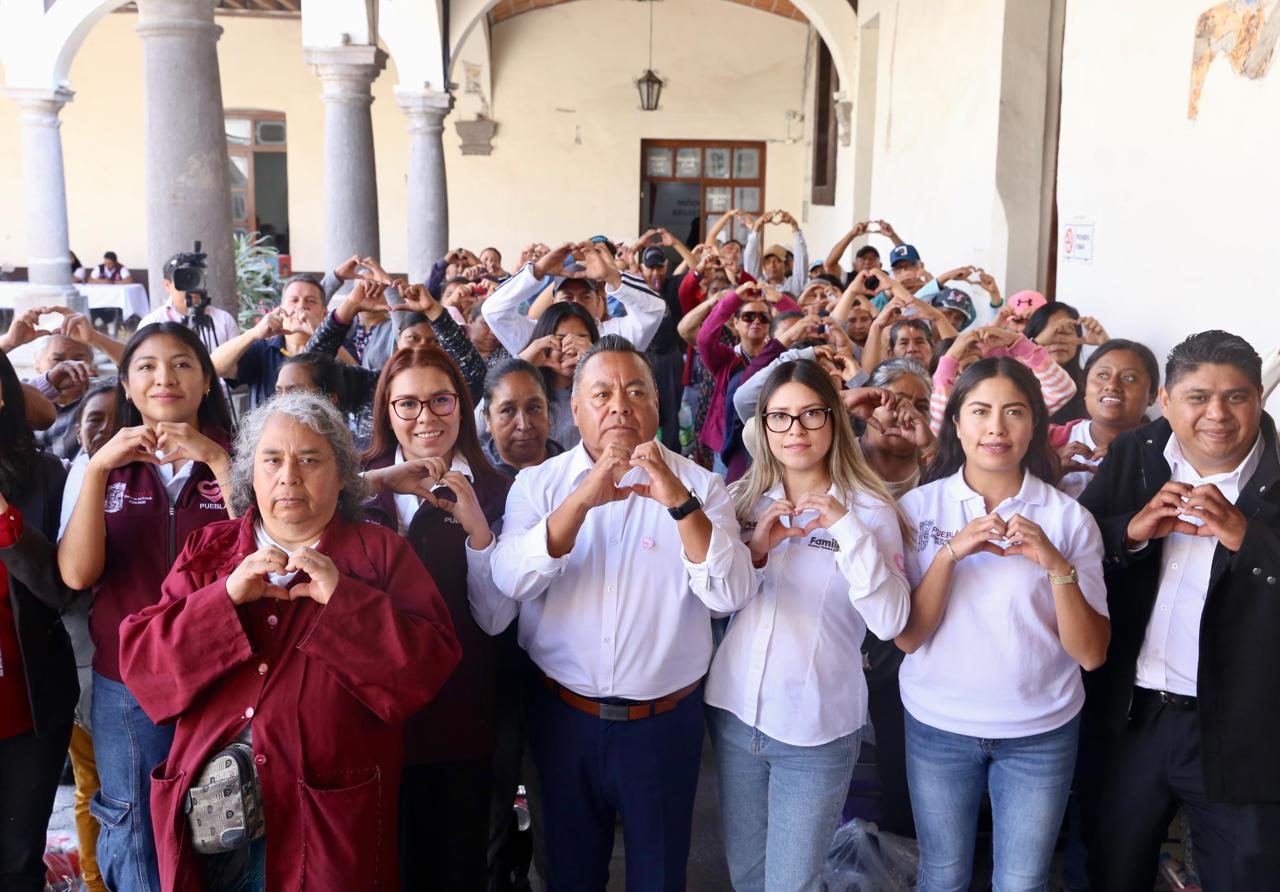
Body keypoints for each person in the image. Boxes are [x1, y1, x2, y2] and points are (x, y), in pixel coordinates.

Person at [118, 392, 461, 891]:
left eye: (310, 459)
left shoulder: (378, 554)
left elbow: (423, 674)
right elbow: (147, 671)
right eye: (272, 460)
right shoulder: (210, 549)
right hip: (213, 820)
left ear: (342, 476)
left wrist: (344, 600)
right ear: (250, 475)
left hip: (324, 820)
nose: (289, 476)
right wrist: (224, 598)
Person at [489, 335, 755, 889]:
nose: (619, 406)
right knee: (569, 876)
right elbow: (512, 579)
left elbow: (728, 596)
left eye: (636, 392)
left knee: (659, 876)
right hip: (562, 719)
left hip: (664, 725)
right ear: (576, 408)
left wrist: (678, 502)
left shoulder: (701, 486)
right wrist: (582, 500)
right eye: (602, 394)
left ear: (657, 405)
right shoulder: (538, 485)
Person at [894, 357, 1110, 891]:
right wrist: (949, 554)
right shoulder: (917, 509)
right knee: (942, 875)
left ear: (1035, 423)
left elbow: (1090, 654)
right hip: (938, 725)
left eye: (1014, 412)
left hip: (1040, 732)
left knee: (1022, 881)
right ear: (956, 422)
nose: (996, 427)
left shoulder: (1068, 518)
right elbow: (909, 637)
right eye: (980, 411)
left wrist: (1055, 563)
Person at [1079, 330, 1280, 891]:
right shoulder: (1135, 454)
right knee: (1112, 869)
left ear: (1258, 399)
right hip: (1134, 717)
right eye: (1198, 397)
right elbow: (1077, 545)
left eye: (1236, 397)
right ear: (1165, 401)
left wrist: (1249, 540)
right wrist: (1131, 532)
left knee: (1245, 877)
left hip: (1242, 729)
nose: (1217, 414)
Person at [705, 359, 910, 891]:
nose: (795, 429)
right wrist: (754, 551)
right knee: (747, 877)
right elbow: (714, 606)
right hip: (734, 713)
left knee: (792, 884)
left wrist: (847, 530)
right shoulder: (742, 499)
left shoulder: (870, 511)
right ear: (763, 427)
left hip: (816, 728)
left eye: (811, 414)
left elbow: (891, 621)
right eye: (780, 417)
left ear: (834, 419)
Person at [58, 322, 234, 892]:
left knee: (230, 824)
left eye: (182, 364)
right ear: (127, 386)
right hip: (127, 682)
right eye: (147, 367)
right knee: (134, 826)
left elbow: (263, 551)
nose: (165, 378)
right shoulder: (98, 465)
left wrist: (216, 459)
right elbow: (77, 573)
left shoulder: (244, 455)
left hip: (227, 672)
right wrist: (97, 470)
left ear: (205, 381)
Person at [358, 347, 512, 890]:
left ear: (462, 406)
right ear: (387, 411)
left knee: (454, 868)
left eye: (441, 401)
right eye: (407, 404)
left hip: (458, 712)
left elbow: (495, 620)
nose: (425, 417)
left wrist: (479, 532)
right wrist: (376, 483)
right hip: (367, 715)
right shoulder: (355, 484)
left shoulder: (498, 491)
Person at [0, 350, 79, 892]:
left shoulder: (45, 475)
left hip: (26, 703)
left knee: (16, 862)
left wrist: (7, 521)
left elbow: (62, 590)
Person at [60, 383, 118, 892]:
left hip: (125, 660)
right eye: (93, 419)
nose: (103, 429)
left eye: (114, 418)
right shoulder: (72, 477)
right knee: (91, 784)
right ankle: (94, 882)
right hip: (82, 661)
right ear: (76, 428)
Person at [481, 241, 665, 361]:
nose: (575, 304)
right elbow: (493, 311)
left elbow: (653, 310)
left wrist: (613, 277)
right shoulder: (536, 335)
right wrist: (537, 271)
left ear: (599, 303)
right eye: (567, 297)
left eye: (585, 297)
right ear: (553, 302)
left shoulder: (614, 336)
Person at [1056, 339, 1160, 499]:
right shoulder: (1050, 441)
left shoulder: (1165, 453)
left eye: (1129, 378)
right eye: (1102, 375)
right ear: (1085, 388)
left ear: (1152, 396)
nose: (1112, 385)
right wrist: (1049, 473)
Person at [209, 274, 329, 408]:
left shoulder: (335, 348)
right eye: (294, 300)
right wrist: (253, 333)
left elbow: (349, 372)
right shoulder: (262, 350)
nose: (301, 306)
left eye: (311, 301)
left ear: (324, 313)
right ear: (281, 309)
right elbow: (213, 367)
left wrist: (323, 333)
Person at [516, 301, 600, 450]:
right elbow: (481, 425)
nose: (571, 350)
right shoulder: (525, 389)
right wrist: (522, 364)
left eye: (581, 340)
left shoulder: (600, 393)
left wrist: (596, 362)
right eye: (561, 340)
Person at [859, 359, 936, 498]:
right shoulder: (838, 456)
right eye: (896, 403)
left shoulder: (936, 463)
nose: (910, 415)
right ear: (868, 404)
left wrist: (931, 448)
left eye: (921, 407)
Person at [1022, 301, 1109, 424]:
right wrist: (1033, 346)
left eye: (1067, 330)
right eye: (1052, 331)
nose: (1059, 339)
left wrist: (1106, 345)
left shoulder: (1090, 383)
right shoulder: (1018, 383)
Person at [138, 252, 241, 352]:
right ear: (167, 285)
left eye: (195, 278)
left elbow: (238, 360)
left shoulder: (224, 320)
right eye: (184, 279)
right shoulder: (151, 323)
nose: (192, 287)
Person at [480, 358, 564, 475]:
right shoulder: (472, 476)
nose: (524, 425)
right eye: (508, 410)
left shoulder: (573, 473)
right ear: (487, 419)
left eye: (534, 408)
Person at [744, 210, 808, 297]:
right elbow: (750, 256)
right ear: (763, 266)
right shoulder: (758, 284)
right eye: (768, 262)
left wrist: (794, 225)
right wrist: (757, 226)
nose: (772, 265)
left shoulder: (793, 285)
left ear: (786, 266)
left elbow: (802, 258)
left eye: (778, 261)